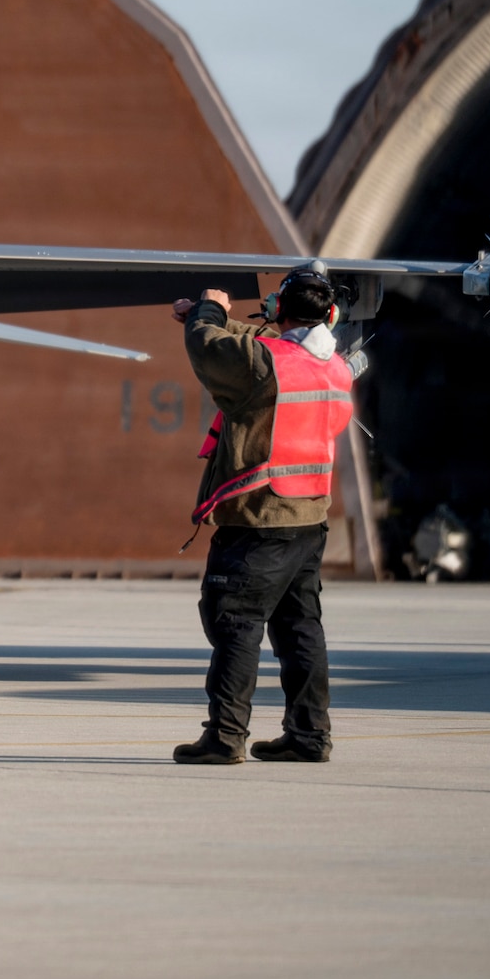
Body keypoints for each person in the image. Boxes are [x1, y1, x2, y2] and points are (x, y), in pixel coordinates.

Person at [169, 266, 354, 765]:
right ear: (330, 316)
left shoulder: (261, 363)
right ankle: (309, 735)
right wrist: (212, 320)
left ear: (277, 309)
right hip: (310, 518)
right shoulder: (331, 365)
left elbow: (209, 348)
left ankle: (225, 736)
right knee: (300, 631)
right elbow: (265, 347)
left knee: (235, 624)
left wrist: (209, 309)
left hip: (259, 519)